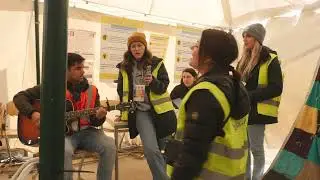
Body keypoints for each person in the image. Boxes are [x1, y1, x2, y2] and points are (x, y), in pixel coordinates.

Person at [13, 53, 116, 180]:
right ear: (65, 71)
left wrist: (100, 117)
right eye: (77, 68)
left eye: (83, 68)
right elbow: (19, 97)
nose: (82, 72)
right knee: (64, 151)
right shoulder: (51, 88)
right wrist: (33, 113)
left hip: (87, 132)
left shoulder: (92, 90)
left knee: (110, 145)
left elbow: (95, 122)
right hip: (62, 135)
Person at [167, 29, 251, 180]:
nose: (193, 50)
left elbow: (193, 151)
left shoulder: (205, 92)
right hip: (231, 174)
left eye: (198, 46)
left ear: (208, 58)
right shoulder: (234, 84)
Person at [116, 32, 176, 180]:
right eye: (133, 46)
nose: (136, 49)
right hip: (140, 111)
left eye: (139, 45)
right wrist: (126, 109)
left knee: (164, 151)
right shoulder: (124, 67)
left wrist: (153, 82)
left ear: (145, 47)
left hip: (161, 112)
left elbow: (163, 86)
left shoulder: (156, 63)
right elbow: (121, 90)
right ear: (129, 49)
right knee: (150, 149)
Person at [236, 23, 283, 180]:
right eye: (244, 36)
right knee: (245, 148)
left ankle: (257, 178)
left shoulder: (270, 59)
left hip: (258, 111)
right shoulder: (244, 59)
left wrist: (250, 96)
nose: (244, 39)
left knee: (256, 149)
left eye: (248, 36)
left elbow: (276, 87)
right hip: (243, 110)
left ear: (257, 38)